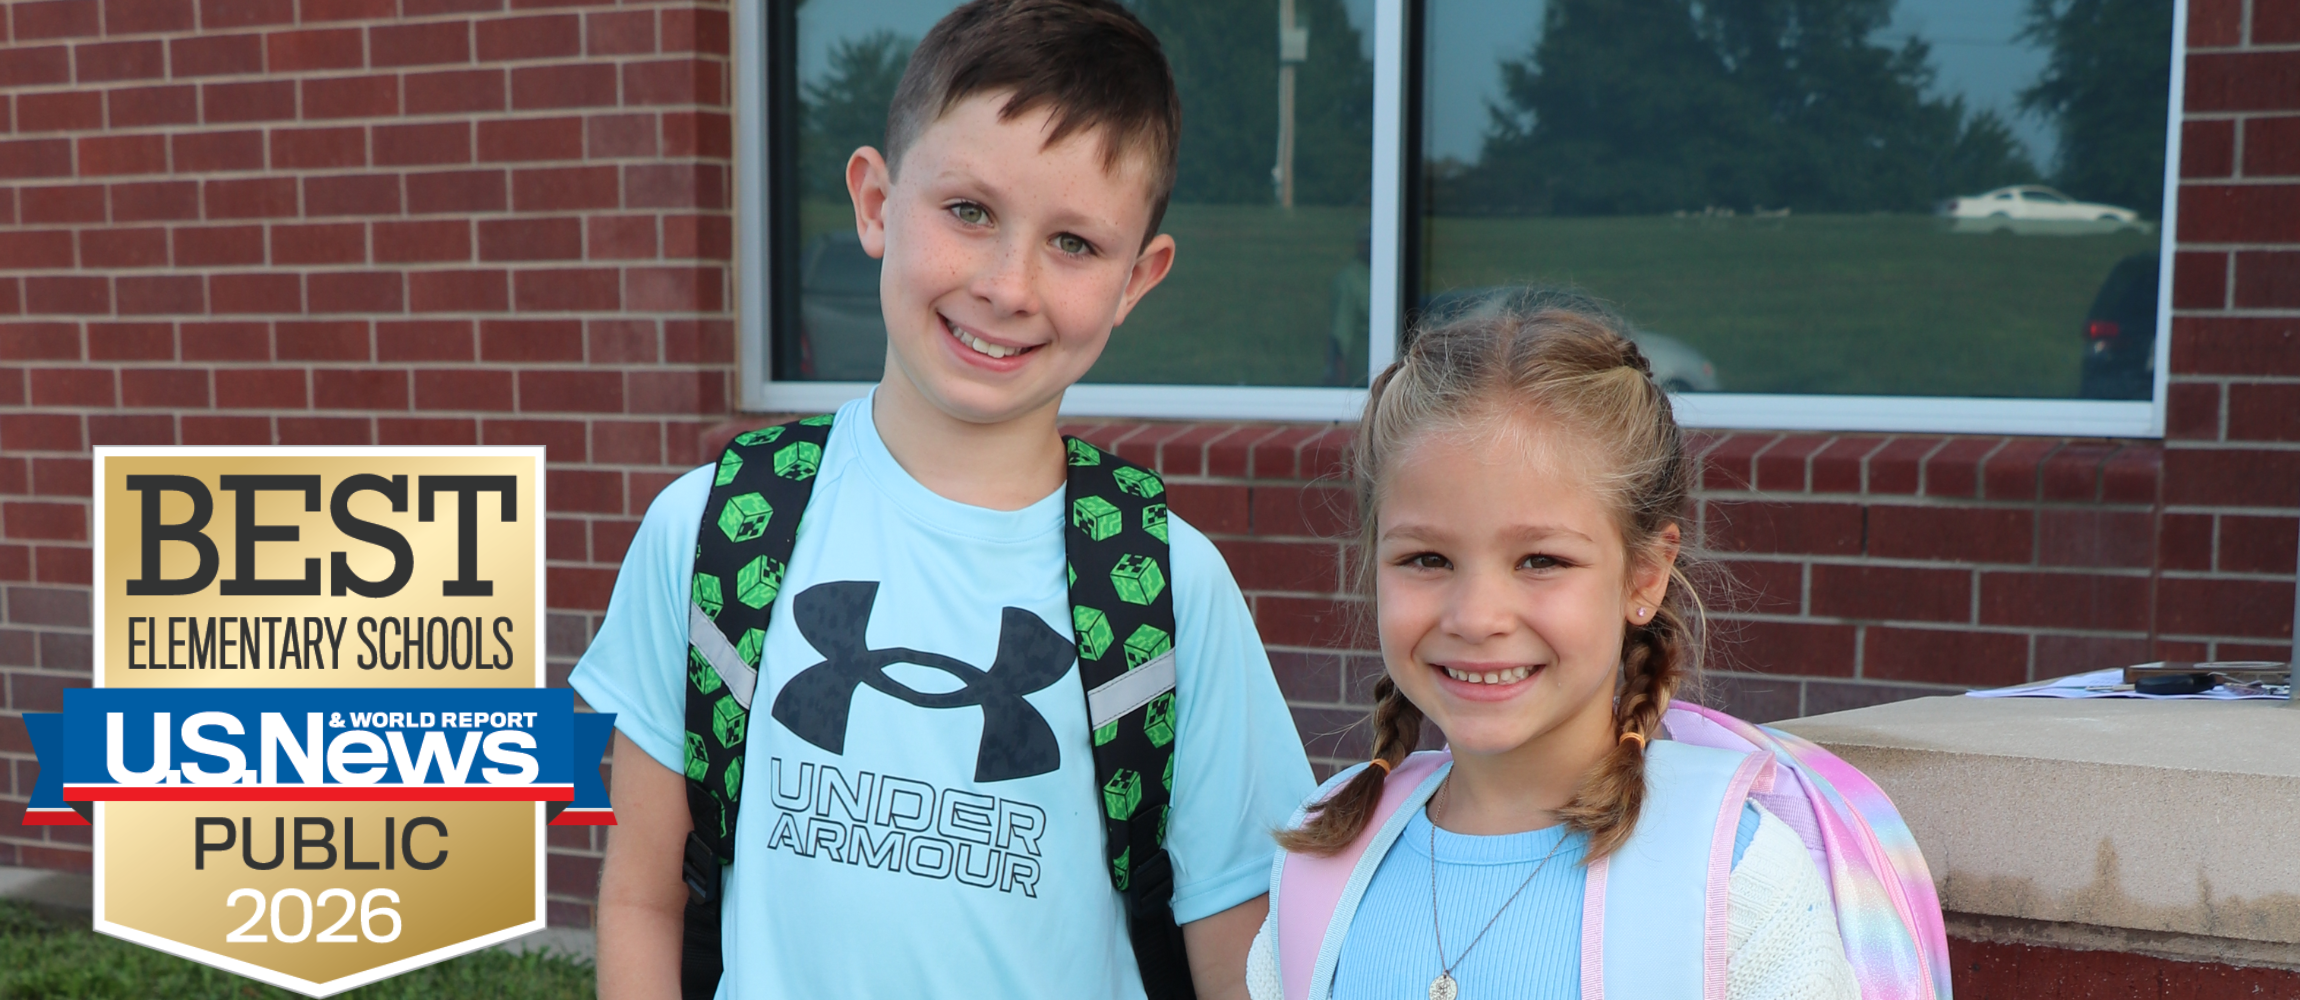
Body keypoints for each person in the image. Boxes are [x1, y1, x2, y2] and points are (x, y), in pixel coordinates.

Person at [573, 3, 1314, 998]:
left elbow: (1240, 945)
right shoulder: (714, 531)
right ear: (876, 203)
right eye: (968, 211)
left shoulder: (1168, 590)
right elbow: (641, 899)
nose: (1008, 286)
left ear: (1138, 278)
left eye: (1074, 244)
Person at [1245, 291, 1860, 1000]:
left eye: (1541, 561)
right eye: (1426, 559)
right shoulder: (1323, 861)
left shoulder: (1731, 883)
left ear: (1645, 575)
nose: (1477, 617)